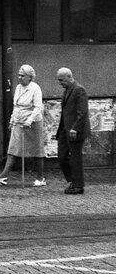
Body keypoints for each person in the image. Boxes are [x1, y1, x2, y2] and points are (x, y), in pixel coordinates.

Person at [0, 64, 46, 186]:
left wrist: (29, 121)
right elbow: (16, 106)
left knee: (37, 150)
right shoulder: (18, 88)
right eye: (19, 75)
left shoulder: (35, 88)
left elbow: (37, 108)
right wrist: (12, 121)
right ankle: (3, 176)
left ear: (30, 77)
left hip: (33, 123)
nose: (20, 78)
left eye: (22, 75)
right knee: (13, 148)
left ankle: (40, 178)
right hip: (19, 121)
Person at [55, 67, 89, 195]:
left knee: (76, 158)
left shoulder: (79, 90)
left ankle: (78, 185)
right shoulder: (67, 90)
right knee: (62, 156)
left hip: (75, 130)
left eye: (62, 80)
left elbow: (83, 112)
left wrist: (76, 128)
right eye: (59, 80)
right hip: (65, 128)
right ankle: (72, 180)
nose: (60, 83)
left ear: (70, 77)